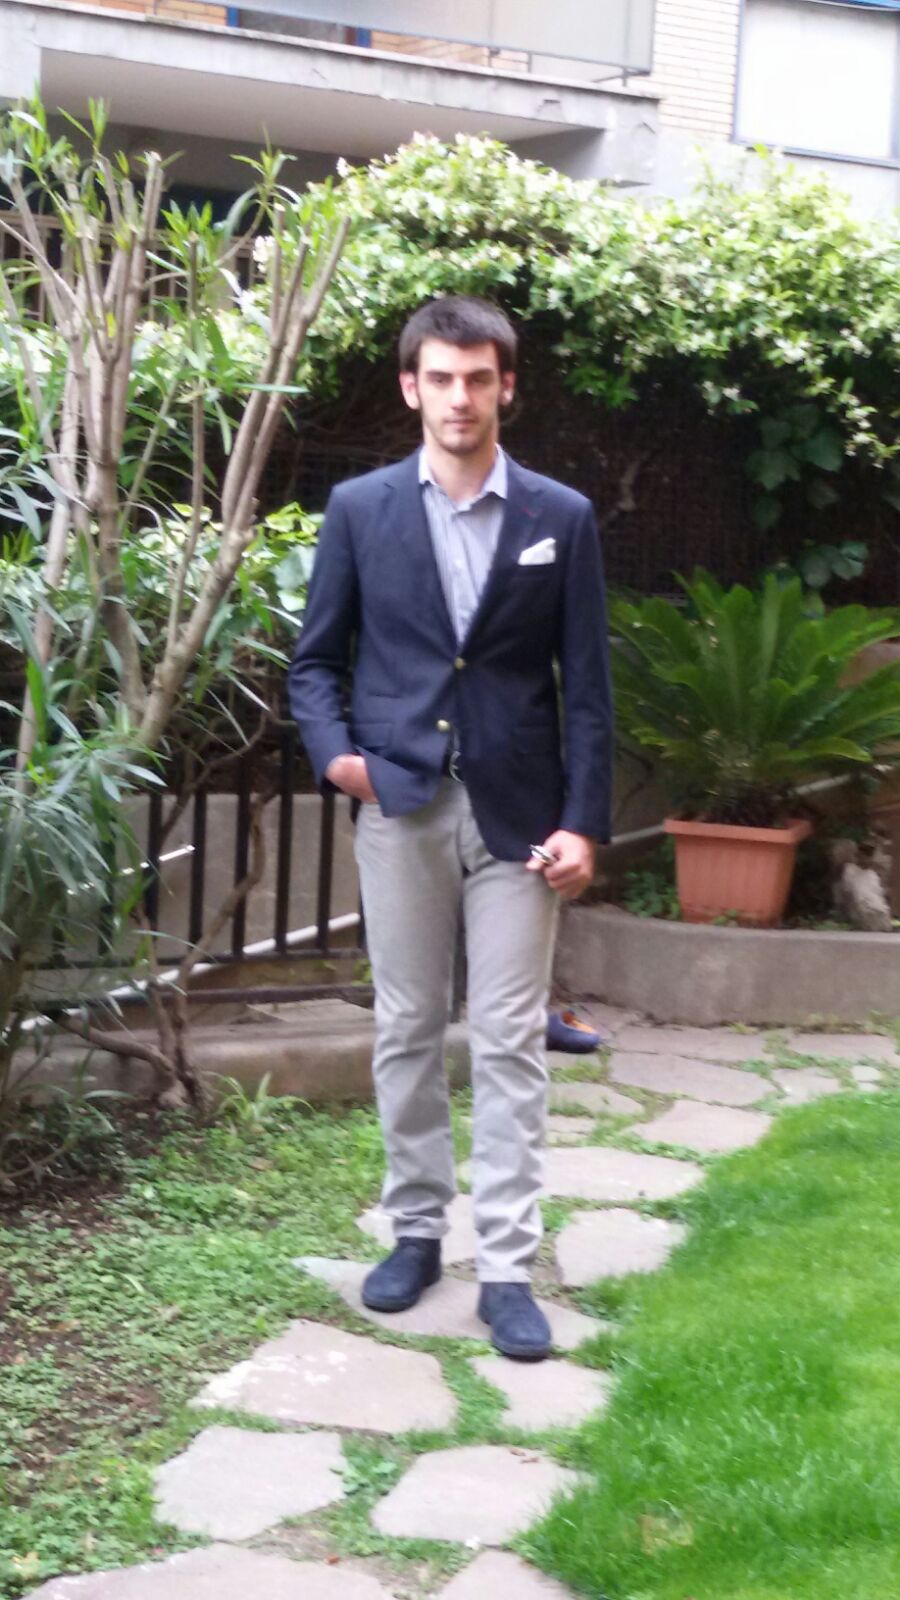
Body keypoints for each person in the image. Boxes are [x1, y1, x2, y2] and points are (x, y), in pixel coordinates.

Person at [288, 296, 612, 1361]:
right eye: (441, 378)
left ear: (505, 386)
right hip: (403, 804)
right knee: (407, 1024)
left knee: (510, 1037)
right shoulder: (361, 508)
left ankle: (507, 1267)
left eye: (478, 378)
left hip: (521, 817)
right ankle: (417, 1232)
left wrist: (584, 822)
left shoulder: (561, 516)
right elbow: (316, 661)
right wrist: (342, 761)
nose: (460, 397)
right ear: (410, 387)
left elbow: (587, 687)